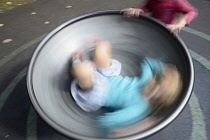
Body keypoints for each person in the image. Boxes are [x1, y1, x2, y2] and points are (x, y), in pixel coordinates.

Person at [70, 40, 182, 133]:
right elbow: (147, 62)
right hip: (110, 76)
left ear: (158, 101)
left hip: (97, 93)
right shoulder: (147, 81)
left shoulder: (139, 108)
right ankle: (89, 65)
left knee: (82, 70)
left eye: (155, 92)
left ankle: (76, 61)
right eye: (155, 82)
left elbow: (106, 121)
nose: (152, 87)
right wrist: (162, 67)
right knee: (103, 47)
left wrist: (131, 129)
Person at [122, 0, 198, 34]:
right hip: (154, 27)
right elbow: (149, 7)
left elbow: (192, 11)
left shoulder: (176, 1)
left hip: (168, 31)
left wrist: (179, 24)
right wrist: (138, 9)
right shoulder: (153, 0)